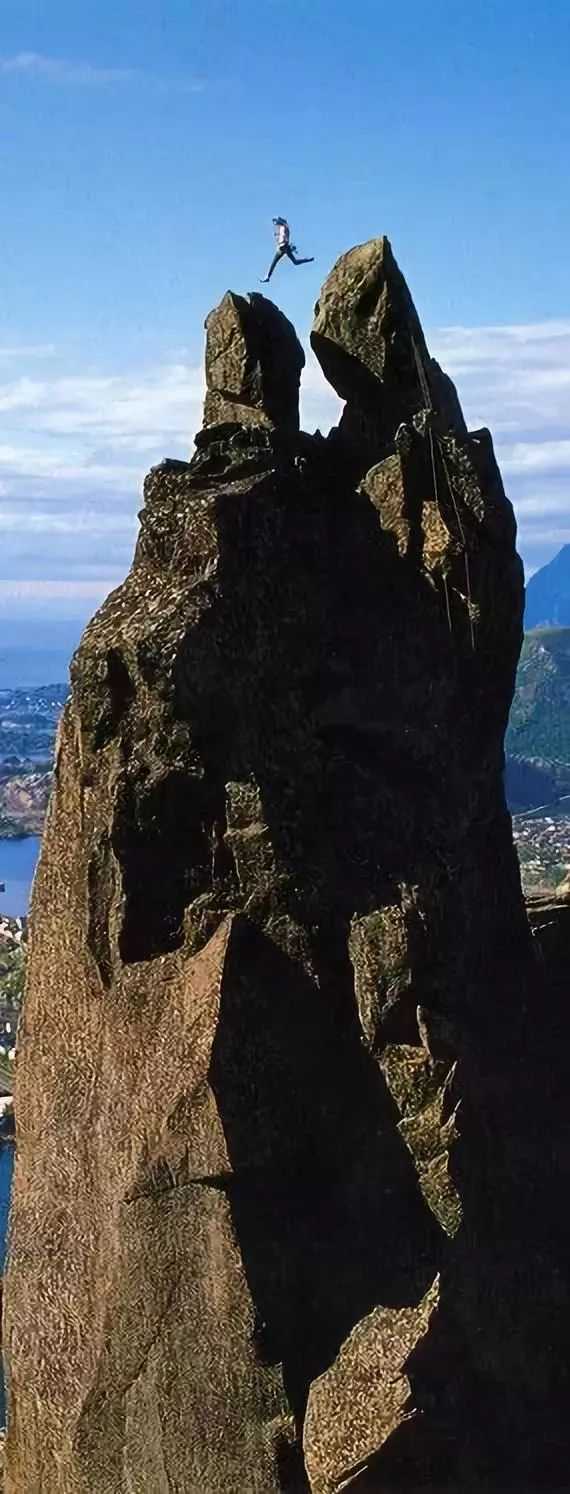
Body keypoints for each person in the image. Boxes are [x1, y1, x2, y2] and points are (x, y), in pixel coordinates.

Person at [260, 218, 314, 282]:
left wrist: (288, 245)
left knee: (275, 262)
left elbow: (284, 236)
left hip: (284, 246)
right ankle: (308, 259)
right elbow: (280, 236)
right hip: (283, 247)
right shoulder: (281, 228)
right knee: (293, 262)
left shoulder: (284, 227)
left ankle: (267, 277)